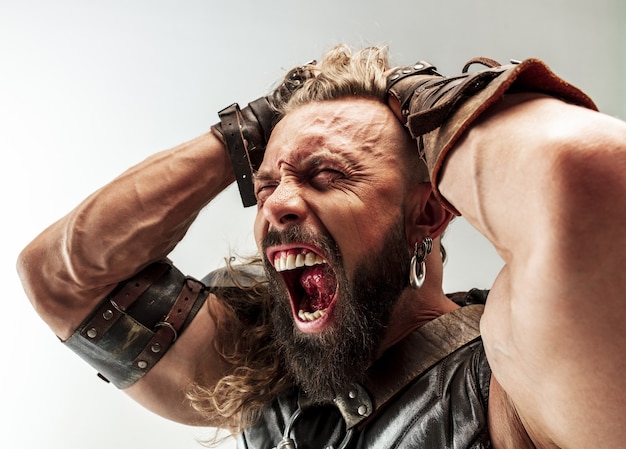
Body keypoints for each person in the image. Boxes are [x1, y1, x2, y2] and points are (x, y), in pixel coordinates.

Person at [17, 44, 626, 448]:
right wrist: (244, 133)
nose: (273, 204)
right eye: (264, 185)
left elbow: (590, 177)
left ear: (430, 215)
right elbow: (62, 278)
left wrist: (437, 107)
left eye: (326, 175)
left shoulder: (510, 378)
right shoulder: (263, 374)